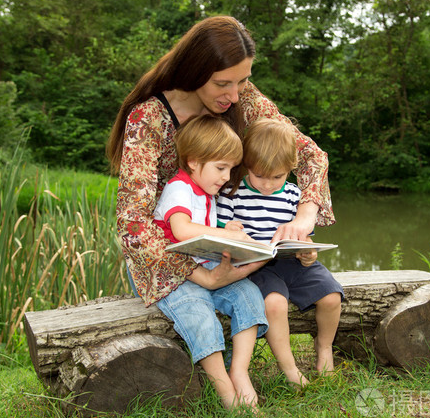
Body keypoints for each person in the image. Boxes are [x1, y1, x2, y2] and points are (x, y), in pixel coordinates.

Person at [106, 13, 334, 400]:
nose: (234, 94)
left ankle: (242, 369)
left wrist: (304, 216)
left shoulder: (242, 95)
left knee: (254, 297)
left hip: (224, 248)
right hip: (170, 260)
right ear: (195, 71)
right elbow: (132, 224)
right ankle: (223, 383)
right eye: (223, 83)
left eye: (243, 80)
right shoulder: (148, 118)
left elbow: (310, 155)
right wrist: (200, 275)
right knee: (202, 304)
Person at [217, 118, 344, 387]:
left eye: (277, 176)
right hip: (256, 267)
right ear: (246, 165)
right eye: (259, 175)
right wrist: (228, 228)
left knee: (332, 296)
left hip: (290, 261)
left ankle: (324, 349)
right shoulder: (232, 193)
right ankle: (290, 370)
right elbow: (219, 227)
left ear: (291, 168)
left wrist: (307, 251)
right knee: (275, 304)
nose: (267, 184)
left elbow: (303, 236)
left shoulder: (292, 194)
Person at [153, 114, 268, 409]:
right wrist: (220, 232)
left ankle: (239, 371)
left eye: (230, 168)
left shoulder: (206, 192)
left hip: (203, 268)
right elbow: (181, 230)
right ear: (193, 161)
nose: (226, 177)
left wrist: (232, 238)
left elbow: (204, 239)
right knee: (199, 314)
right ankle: (226, 393)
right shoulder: (179, 188)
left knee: (249, 295)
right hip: (174, 275)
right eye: (220, 168)